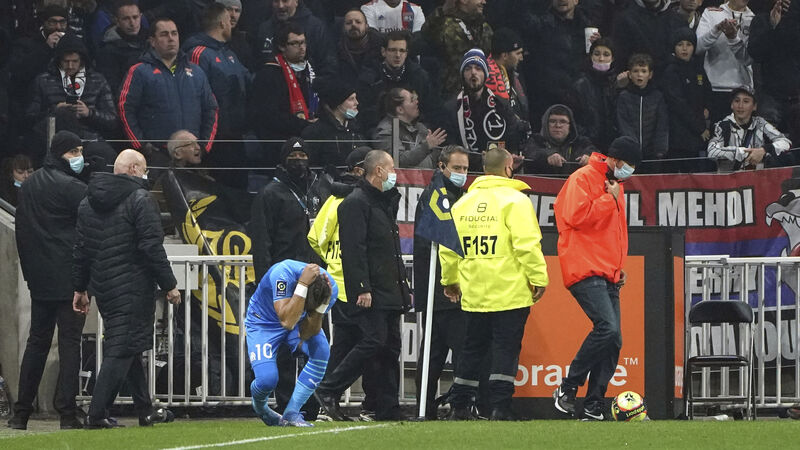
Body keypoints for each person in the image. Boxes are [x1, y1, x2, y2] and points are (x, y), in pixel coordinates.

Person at [71, 149, 179, 428]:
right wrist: (169, 284)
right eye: (144, 169)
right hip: (134, 285)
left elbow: (81, 249)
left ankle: (145, 409)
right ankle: (97, 414)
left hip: (104, 286)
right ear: (133, 169)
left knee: (127, 345)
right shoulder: (141, 199)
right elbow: (151, 246)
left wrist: (80, 288)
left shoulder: (87, 201)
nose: (146, 174)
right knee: (120, 349)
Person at [440, 146, 548, 420]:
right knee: (505, 349)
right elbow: (527, 245)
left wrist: (450, 280)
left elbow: (449, 248)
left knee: (471, 349)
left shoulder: (462, 204)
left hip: (474, 291)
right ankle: (500, 407)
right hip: (510, 291)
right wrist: (538, 278)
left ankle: (460, 406)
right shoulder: (516, 201)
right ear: (509, 168)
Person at [315, 150, 411, 422]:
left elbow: (388, 249)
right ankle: (329, 389)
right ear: (378, 171)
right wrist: (362, 288)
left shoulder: (383, 201)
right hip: (372, 289)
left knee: (390, 347)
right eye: (391, 168)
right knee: (373, 340)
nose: (394, 174)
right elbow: (353, 251)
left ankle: (387, 406)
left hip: (389, 287)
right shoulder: (355, 203)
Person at [552, 136, 641, 421]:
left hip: (607, 270)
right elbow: (575, 217)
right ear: (613, 159)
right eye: (627, 163)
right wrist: (608, 199)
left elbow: (613, 232)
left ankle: (593, 405)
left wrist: (618, 265)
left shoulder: (616, 184)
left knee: (613, 341)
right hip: (584, 266)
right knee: (608, 329)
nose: (630, 169)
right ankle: (568, 387)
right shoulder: (583, 178)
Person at [8, 131, 87, 431]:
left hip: (40, 280)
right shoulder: (73, 188)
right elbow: (84, 236)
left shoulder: (28, 187)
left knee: (36, 343)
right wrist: (83, 283)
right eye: (75, 151)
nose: (79, 157)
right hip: (69, 280)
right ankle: (67, 412)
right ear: (62, 152)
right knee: (70, 344)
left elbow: (22, 233)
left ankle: (21, 413)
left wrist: (32, 276)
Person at [306, 147, 379, 421]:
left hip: (338, 282)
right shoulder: (353, 200)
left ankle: (328, 402)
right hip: (354, 285)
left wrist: (332, 258)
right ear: (360, 170)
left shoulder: (334, 201)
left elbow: (315, 238)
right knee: (370, 342)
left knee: (344, 346)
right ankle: (335, 395)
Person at [413, 145, 470, 420]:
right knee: (436, 354)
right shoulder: (436, 197)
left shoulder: (460, 196)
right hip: (442, 290)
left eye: (465, 168)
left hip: (450, 288)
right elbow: (435, 244)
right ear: (441, 166)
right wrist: (448, 283)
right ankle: (429, 407)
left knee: (446, 352)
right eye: (457, 168)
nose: (462, 173)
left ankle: (449, 406)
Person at [246, 260, 337, 427]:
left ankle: (292, 412)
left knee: (322, 351)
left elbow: (307, 333)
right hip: (263, 322)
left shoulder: (330, 289)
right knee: (267, 380)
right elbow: (287, 322)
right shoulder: (282, 273)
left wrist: (322, 306)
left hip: (297, 321)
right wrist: (302, 285)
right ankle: (261, 407)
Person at [118, 18, 219, 164]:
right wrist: (142, 146)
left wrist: (204, 146)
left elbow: (211, 109)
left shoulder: (197, 72)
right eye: (164, 34)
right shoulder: (139, 71)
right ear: (152, 41)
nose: (171, 38)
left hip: (192, 155)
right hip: (156, 155)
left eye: (174, 33)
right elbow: (125, 109)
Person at [184, 3, 251, 189]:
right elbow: (195, 99)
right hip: (214, 140)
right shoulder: (198, 53)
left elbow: (248, 82)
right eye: (229, 20)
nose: (231, 24)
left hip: (235, 135)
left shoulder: (229, 53)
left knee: (240, 189)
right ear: (222, 23)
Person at [26, 33, 117, 165]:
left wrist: (89, 113)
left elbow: (112, 120)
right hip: (53, 138)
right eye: (66, 61)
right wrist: (55, 111)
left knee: (106, 156)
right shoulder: (43, 81)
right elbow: (30, 117)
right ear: (58, 60)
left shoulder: (98, 80)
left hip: (89, 139)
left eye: (74, 61)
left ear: (82, 60)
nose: (70, 66)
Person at [441, 48, 529, 171]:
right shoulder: (451, 108)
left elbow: (512, 138)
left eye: (478, 68)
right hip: (464, 172)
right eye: (468, 69)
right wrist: (479, 160)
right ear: (462, 75)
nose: (473, 72)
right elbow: (449, 149)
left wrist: (512, 159)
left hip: (498, 172)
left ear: (486, 74)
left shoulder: (501, 105)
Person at [249, 21, 319, 167]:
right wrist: (305, 125)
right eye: (295, 43)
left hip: (305, 137)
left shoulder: (308, 69)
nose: (301, 47)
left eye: (303, 42)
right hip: (278, 143)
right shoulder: (268, 74)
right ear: (281, 46)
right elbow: (269, 116)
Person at [520, 0, 595, 129]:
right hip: (548, 99)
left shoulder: (587, 26)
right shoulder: (540, 25)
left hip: (579, 99)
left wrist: (596, 47)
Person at [362, 30, 439, 127]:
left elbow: (431, 110)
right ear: (383, 52)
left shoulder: (419, 76)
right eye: (393, 50)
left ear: (406, 53)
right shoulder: (370, 78)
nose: (397, 55)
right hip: (379, 129)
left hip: (414, 129)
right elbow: (365, 113)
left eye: (402, 51)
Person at [695, 0, 755, 124]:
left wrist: (733, 38)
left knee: (742, 135)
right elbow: (697, 47)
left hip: (744, 90)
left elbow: (749, 59)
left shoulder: (754, 19)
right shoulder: (711, 13)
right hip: (716, 88)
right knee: (717, 134)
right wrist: (716, 30)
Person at [661, 28, 713, 170]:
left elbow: (707, 91)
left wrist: (707, 108)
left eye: (689, 44)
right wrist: (699, 128)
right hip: (678, 136)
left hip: (696, 136)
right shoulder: (671, 71)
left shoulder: (698, 68)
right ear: (674, 47)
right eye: (680, 44)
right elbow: (678, 104)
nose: (684, 48)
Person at [748, 0, 800, 140]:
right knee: (765, 143)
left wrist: (793, 16)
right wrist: (772, 27)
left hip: (797, 95)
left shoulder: (796, 22)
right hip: (770, 95)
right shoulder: (761, 20)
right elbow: (756, 53)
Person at [707, 87, 792, 171]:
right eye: (737, 101)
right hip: (729, 178)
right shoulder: (722, 126)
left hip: (755, 178)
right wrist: (744, 153)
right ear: (732, 105)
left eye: (746, 101)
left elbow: (786, 142)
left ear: (754, 106)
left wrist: (764, 150)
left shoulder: (761, 124)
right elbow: (712, 152)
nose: (740, 106)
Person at [422, 0, 493, 96]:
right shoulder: (444, 25)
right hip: (451, 94)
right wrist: (442, 11)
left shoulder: (484, 28)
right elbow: (426, 35)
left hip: (481, 93)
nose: (484, 2)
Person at [570, 38, 626, 151]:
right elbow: (574, 119)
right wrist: (585, 141)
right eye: (597, 54)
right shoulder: (580, 85)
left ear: (612, 58)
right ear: (591, 57)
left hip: (614, 144)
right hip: (588, 145)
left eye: (606, 55)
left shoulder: (618, 82)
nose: (601, 59)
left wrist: (618, 88)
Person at [615, 53, 669, 170]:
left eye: (644, 71)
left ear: (650, 75)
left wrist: (660, 148)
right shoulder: (624, 96)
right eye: (636, 71)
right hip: (629, 154)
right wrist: (632, 147)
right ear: (629, 74)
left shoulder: (657, 96)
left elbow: (662, 124)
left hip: (653, 154)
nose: (639, 75)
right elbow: (623, 123)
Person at [255, 0, 335, 76]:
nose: (280, 6)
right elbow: (257, 64)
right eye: (276, 1)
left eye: (285, 1)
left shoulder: (315, 28)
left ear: (296, 1)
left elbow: (328, 66)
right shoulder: (265, 28)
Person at [373, 88, 447, 168]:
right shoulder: (386, 131)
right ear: (400, 110)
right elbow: (398, 161)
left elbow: (435, 158)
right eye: (412, 100)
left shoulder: (420, 128)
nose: (417, 102)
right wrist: (426, 146)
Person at [611, 0, 686, 76]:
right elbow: (621, 59)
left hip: (670, 78)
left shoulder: (677, 20)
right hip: (638, 79)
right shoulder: (625, 19)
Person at [301, 79, 365, 167]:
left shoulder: (357, 129)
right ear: (337, 103)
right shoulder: (315, 132)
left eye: (355, 98)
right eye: (351, 99)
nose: (356, 103)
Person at [523, 104, 597, 175]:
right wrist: (548, 155)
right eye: (552, 121)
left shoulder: (581, 142)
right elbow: (530, 152)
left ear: (570, 126)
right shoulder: (535, 140)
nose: (557, 125)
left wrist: (589, 156)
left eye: (563, 121)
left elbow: (595, 153)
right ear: (545, 124)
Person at [95, 0, 148, 95]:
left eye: (135, 17)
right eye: (126, 19)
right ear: (117, 21)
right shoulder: (107, 51)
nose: (132, 23)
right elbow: (112, 87)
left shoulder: (152, 42)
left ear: (141, 17)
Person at [487, 27, 528, 123]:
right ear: (504, 55)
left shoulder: (511, 73)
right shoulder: (489, 78)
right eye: (518, 53)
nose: (521, 58)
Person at [362, 0, 426, 33]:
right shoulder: (368, 8)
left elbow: (418, 36)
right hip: (379, 52)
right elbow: (372, 36)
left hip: (409, 51)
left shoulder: (416, 9)